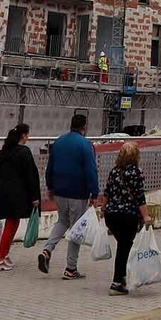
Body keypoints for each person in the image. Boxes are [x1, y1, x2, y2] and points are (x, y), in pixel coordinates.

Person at [38, 114, 99, 279]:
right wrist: (94, 192)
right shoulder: (85, 145)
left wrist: (50, 186)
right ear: (84, 127)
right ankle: (71, 268)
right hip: (77, 193)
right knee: (76, 229)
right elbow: (91, 170)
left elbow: (49, 167)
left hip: (59, 191)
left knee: (62, 221)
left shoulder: (58, 142)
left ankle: (47, 250)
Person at [0, 123, 39, 272]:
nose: (28, 137)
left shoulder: (5, 151)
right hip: (17, 194)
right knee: (11, 225)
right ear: (24, 135)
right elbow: (31, 176)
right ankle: (0, 259)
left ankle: (5, 254)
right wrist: (35, 196)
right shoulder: (24, 152)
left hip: (4, 193)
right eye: (28, 134)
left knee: (13, 223)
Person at [101, 140, 148, 295]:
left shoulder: (114, 171)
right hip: (128, 216)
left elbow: (107, 191)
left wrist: (103, 208)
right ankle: (116, 283)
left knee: (123, 245)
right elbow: (139, 196)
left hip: (111, 215)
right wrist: (146, 216)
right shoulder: (136, 172)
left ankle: (122, 278)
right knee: (124, 247)